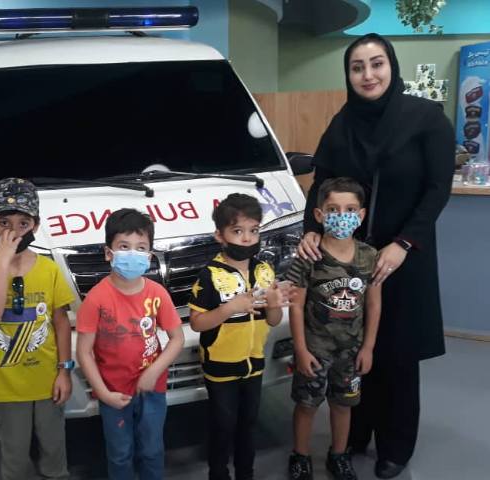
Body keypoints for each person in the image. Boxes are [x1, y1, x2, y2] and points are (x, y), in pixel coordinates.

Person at [297, 33, 454, 479]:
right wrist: (311, 231)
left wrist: (403, 244)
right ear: (348, 75)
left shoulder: (426, 119)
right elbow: (322, 185)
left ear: (392, 66)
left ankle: (396, 446)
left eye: (377, 63)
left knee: (396, 351)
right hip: (348, 258)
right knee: (351, 346)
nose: (368, 74)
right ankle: (356, 432)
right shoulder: (342, 124)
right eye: (357, 67)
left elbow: (436, 190)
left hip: (401, 256)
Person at [0, 177, 76, 480]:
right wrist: (2, 263)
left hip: (47, 379)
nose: (13, 232)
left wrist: (64, 371)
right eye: (4, 222)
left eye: (23, 223)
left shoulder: (49, 269)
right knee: (14, 452)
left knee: (54, 446)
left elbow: (61, 323)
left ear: (35, 226)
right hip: (7, 384)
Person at [76, 208, 185, 480]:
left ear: (149, 256)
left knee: (152, 450)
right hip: (113, 393)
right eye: (124, 247)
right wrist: (103, 393)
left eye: (141, 248)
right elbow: (84, 352)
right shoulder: (96, 299)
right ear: (108, 253)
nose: (133, 254)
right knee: (120, 453)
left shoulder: (157, 293)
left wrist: (153, 372)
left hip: (152, 391)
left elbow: (177, 339)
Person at [188, 193, 289, 480]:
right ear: (220, 235)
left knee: (249, 424)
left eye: (253, 230)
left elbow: (273, 320)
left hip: (254, 363)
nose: (246, 238)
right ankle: (218, 473)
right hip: (220, 365)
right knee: (223, 425)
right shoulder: (209, 275)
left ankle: (246, 473)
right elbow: (197, 323)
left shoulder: (264, 271)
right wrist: (229, 308)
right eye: (237, 231)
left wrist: (274, 304)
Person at [286, 178, 382, 480]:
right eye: (333, 209)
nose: (342, 216)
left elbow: (373, 305)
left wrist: (368, 348)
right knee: (307, 405)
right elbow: (295, 306)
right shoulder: (308, 256)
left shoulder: (369, 256)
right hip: (314, 351)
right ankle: (300, 457)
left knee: (343, 405)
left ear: (361, 215)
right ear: (319, 214)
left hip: (351, 352)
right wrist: (300, 350)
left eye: (350, 209)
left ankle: (338, 455)